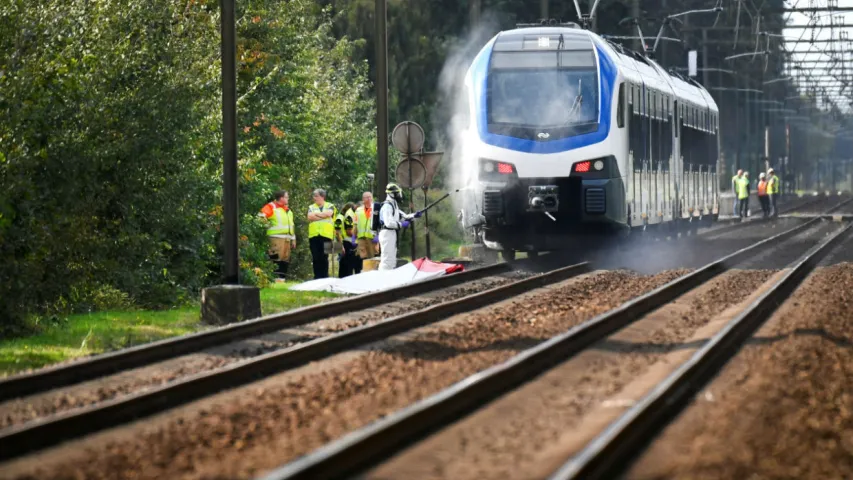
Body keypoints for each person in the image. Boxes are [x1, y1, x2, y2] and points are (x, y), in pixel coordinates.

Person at [378, 183, 420, 271]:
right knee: (387, 260)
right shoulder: (387, 206)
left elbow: (404, 216)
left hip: (392, 233)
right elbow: (388, 223)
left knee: (392, 259)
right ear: (391, 194)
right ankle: (382, 280)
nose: (399, 195)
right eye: (397, 193)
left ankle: (389, 280)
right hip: (387, 234)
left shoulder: (394, 205)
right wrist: (401, 224)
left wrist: (414, 215)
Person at [260, 190, 295, 280]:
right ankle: (274, 279)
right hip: (276, 238)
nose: (288, 199)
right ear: (281, 198)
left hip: (287, 238)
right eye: (287, 197)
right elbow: (261, 216)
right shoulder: (271, 206)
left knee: (285, 259)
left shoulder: (287, 210)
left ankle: (282, 280)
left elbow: (291, 224)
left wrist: (293, 238)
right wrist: (268, 225)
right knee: (275, 258)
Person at [307, 189, 336, 279]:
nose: (314, 198)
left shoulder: (330, 205)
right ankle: (317, 277)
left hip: (326, 235)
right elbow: (309, 217)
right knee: (315, 257)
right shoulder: (311, 207)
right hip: (314, 236)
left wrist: (316, 215)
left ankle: (324, 277)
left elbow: (329, 214)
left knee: (324, 257)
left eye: (316, 196)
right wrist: (322, 215)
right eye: (314, 196)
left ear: (322, 197)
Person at [354, 192, 378, 272]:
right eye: (366, 197)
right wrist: (354, 237)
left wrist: (378, 235)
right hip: (361, 238)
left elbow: (380, 222)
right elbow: (355, 223)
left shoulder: (376, 209)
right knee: (362, 257)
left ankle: (373, 273)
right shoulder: (358, 210)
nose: (368, 199)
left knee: (373, 257)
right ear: (363, 199)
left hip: (372, 238)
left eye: (370, 197)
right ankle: (363, 273)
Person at [335, 203, 359, 278]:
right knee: (345, 265)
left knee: (345, 265)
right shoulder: (340, 217)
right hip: (343, 242)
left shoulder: (343, 217)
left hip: (344, 242)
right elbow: (337, 232)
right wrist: (340, 245)